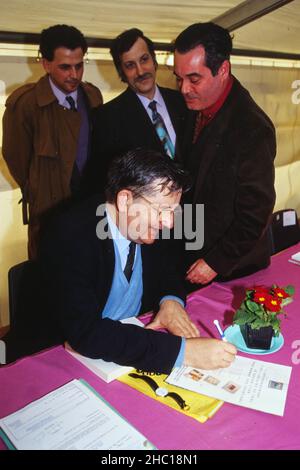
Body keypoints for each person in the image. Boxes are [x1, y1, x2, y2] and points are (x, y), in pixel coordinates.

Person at [39, 148, 237, 373]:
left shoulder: (147, 224)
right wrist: (183, 353)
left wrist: (170, 301)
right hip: (72, 361)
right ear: (124, 200)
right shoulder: (70, 236)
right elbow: (86, 333)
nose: (170, 222)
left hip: (129, 342)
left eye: (174, 211)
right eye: (163, 210)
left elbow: (167, 271)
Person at [173, 22, 276, 287]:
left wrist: (215, 262)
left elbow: (256, 213)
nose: (184, 88)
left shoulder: (253, 127)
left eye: (194, 79)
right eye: (179, 77)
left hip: (235, 270)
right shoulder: (193, 104)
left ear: (223, 70)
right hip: (192, 249)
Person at [2, 24, 103, 259]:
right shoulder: (26, 105)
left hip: (91, 209)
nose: (74, 75)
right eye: (65, 67)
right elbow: (16, 159)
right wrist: (41, 188)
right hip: (50, 213)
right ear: (45, 64)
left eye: (79, 66)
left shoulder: (92, 95)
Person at [89, 28, 187, 191]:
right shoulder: (107, 118)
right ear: (122, 72)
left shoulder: (183, 102)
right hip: (146, 213)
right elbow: (106, 181)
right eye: (130, 65)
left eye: (144, 59)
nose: (140, 71)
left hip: (194, 210)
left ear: (154, 60)